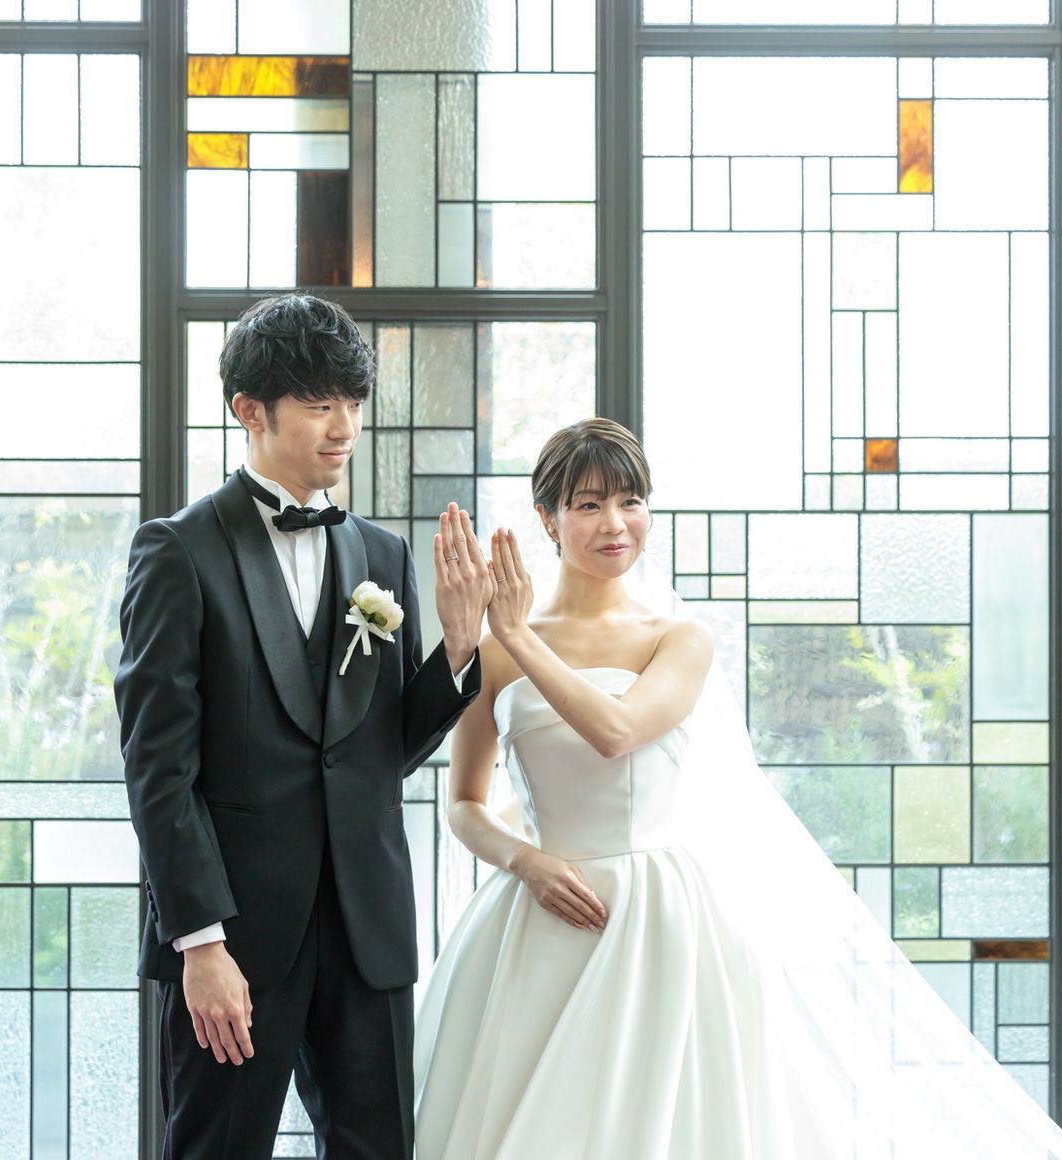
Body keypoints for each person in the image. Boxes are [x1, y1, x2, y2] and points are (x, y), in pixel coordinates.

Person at [414, 417, 1062, 1159]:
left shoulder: (677, 638)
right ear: (547, 519)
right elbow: (464, 805)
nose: (615, 524)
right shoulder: (496, 652)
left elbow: (617, 732)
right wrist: (526, 861)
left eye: (631, 501)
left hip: (662, 920)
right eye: (589, 505)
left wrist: (521, 636)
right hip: (538, 918)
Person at [115, 292, 492, 1159]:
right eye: (321, 404)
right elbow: (158, 771)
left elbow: (378, 753)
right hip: (234, 938)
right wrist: (199, 943)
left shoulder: (381, 554)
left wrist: (458, 650)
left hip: (367, 934)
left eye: (353, 402)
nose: (344, 427)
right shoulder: (178, 552)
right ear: (250, 409)